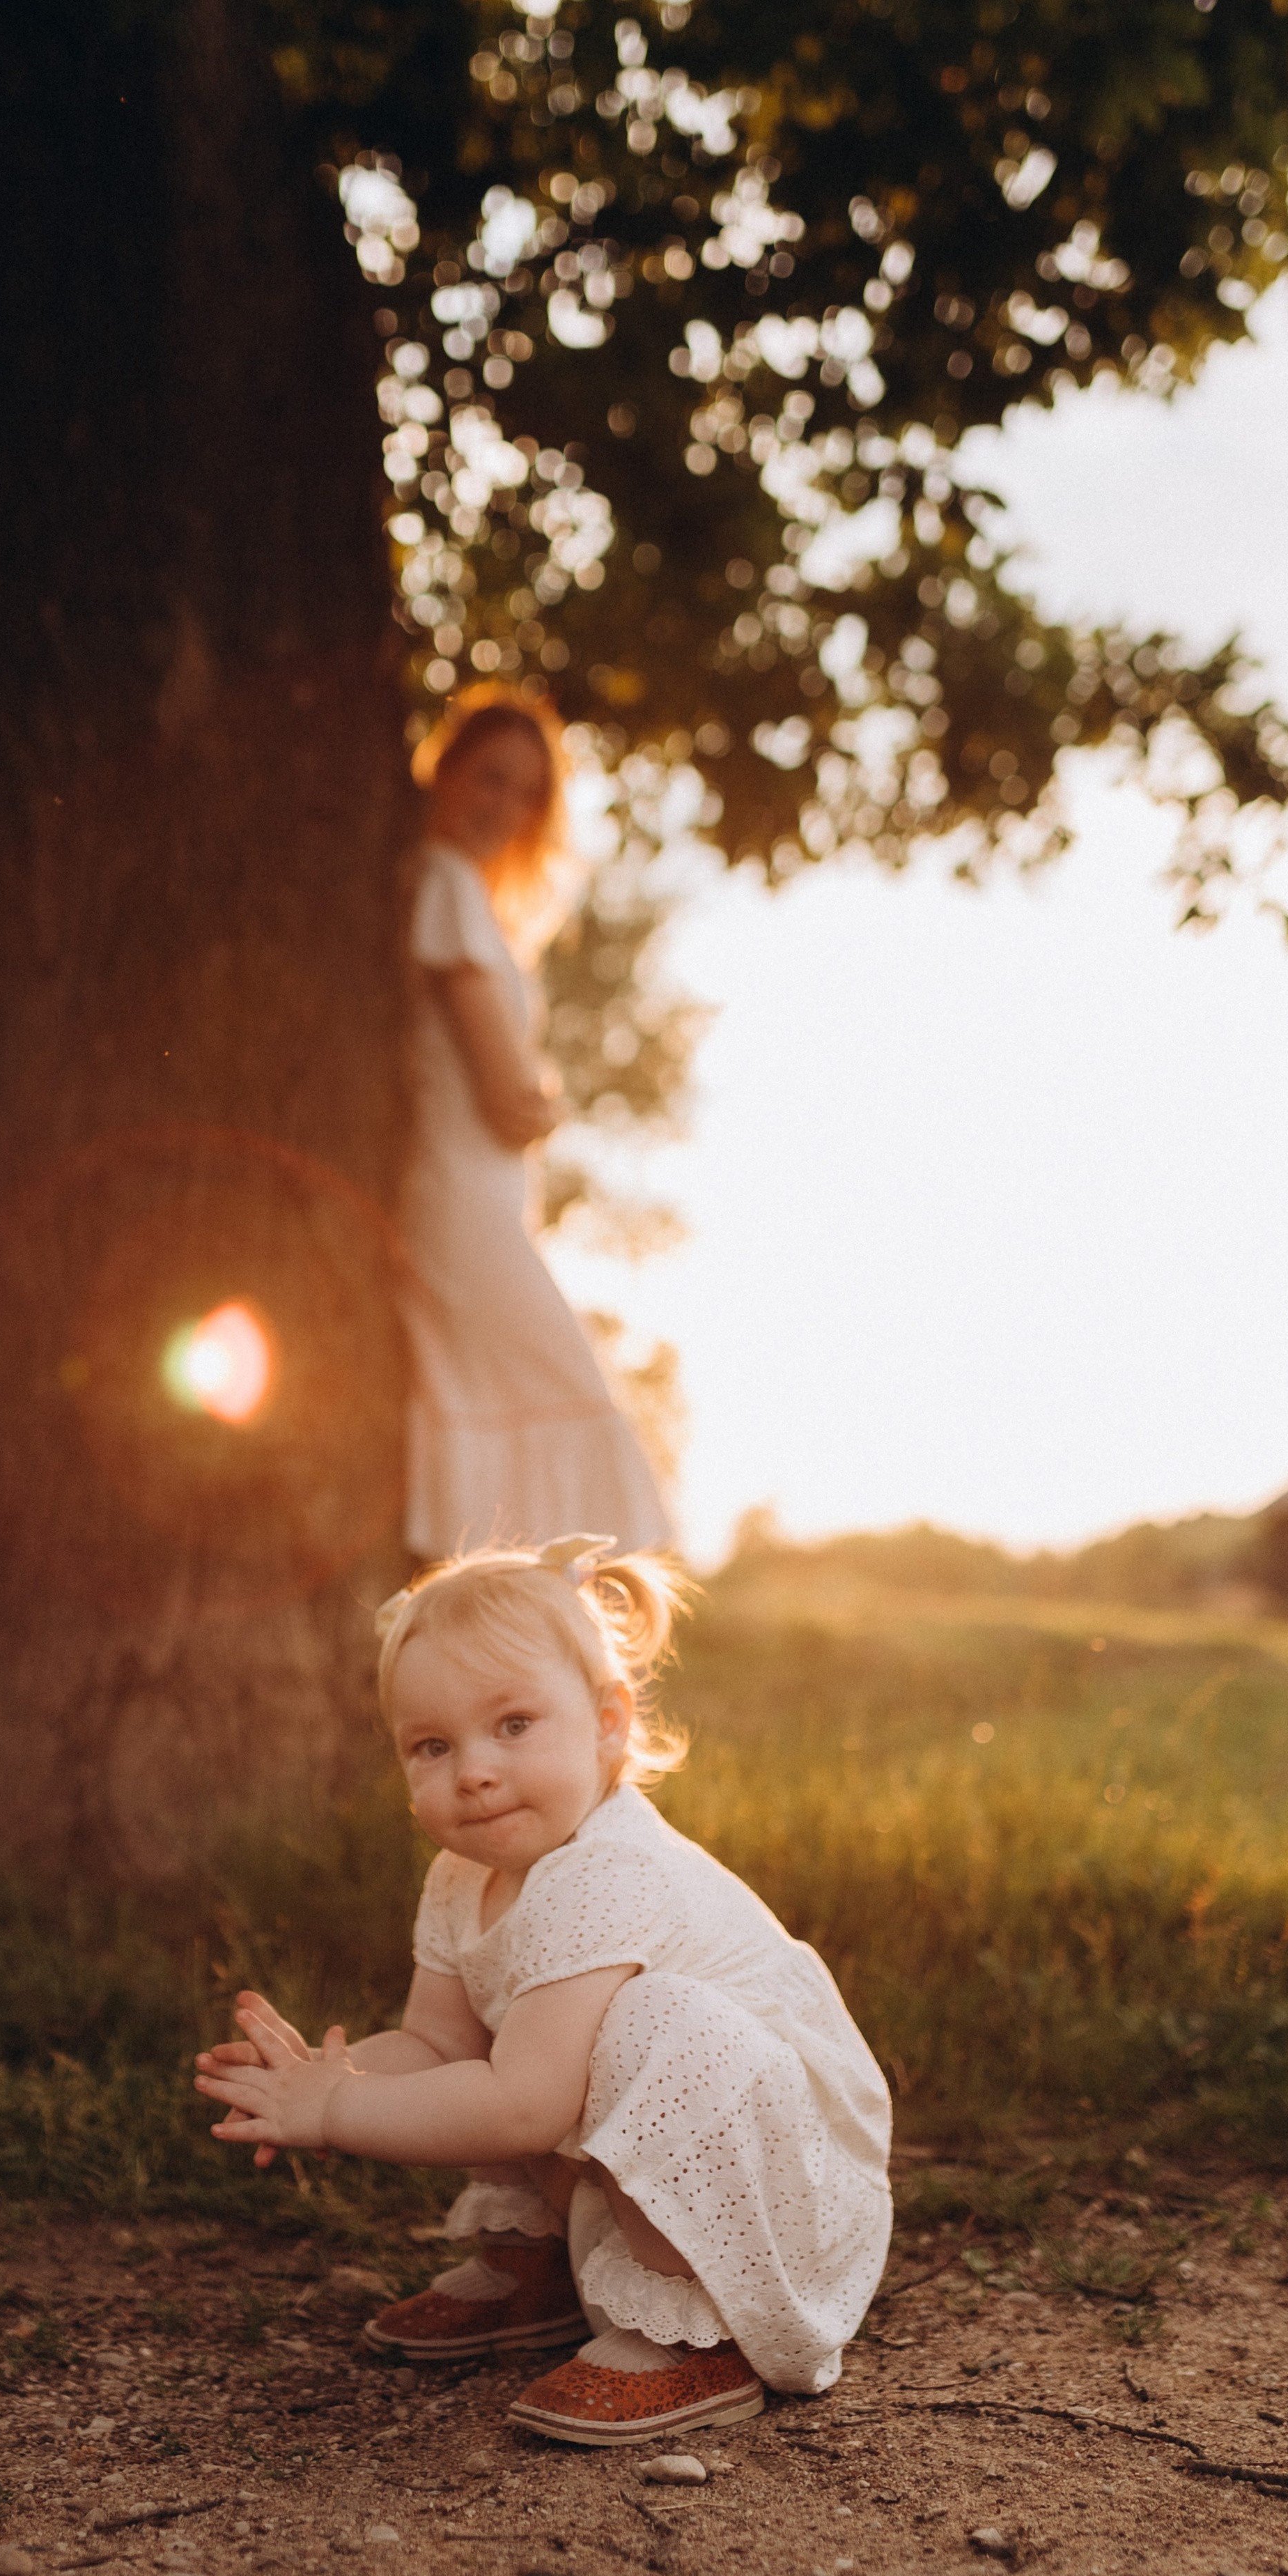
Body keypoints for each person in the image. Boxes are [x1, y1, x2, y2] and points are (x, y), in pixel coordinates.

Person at [194, 1536, 892, 2446]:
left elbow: (523, 2108)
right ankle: (542, 2272)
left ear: (608, 1722)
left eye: (514, 1725)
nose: (474, 1771)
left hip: (782, 2190)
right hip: (658, 2167)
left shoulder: (606, 1871)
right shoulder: (461, 1876)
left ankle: (696, 2327)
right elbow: (439, 2050)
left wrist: (336, 2116)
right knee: (519, 2040)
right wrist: (318, 2082)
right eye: (432, 1746)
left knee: (647, 2024)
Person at [401, 691, 670, 1559]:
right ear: (444, 772)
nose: (502, 807)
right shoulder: (443, 884)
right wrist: (543, 1100)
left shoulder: (464, 895)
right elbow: (506, 1097)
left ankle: (502, 1642)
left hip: (474, 1197)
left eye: (525, 794)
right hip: (458, 1199)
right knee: (566, 1390)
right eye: (488, 779)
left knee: (482, 1400)